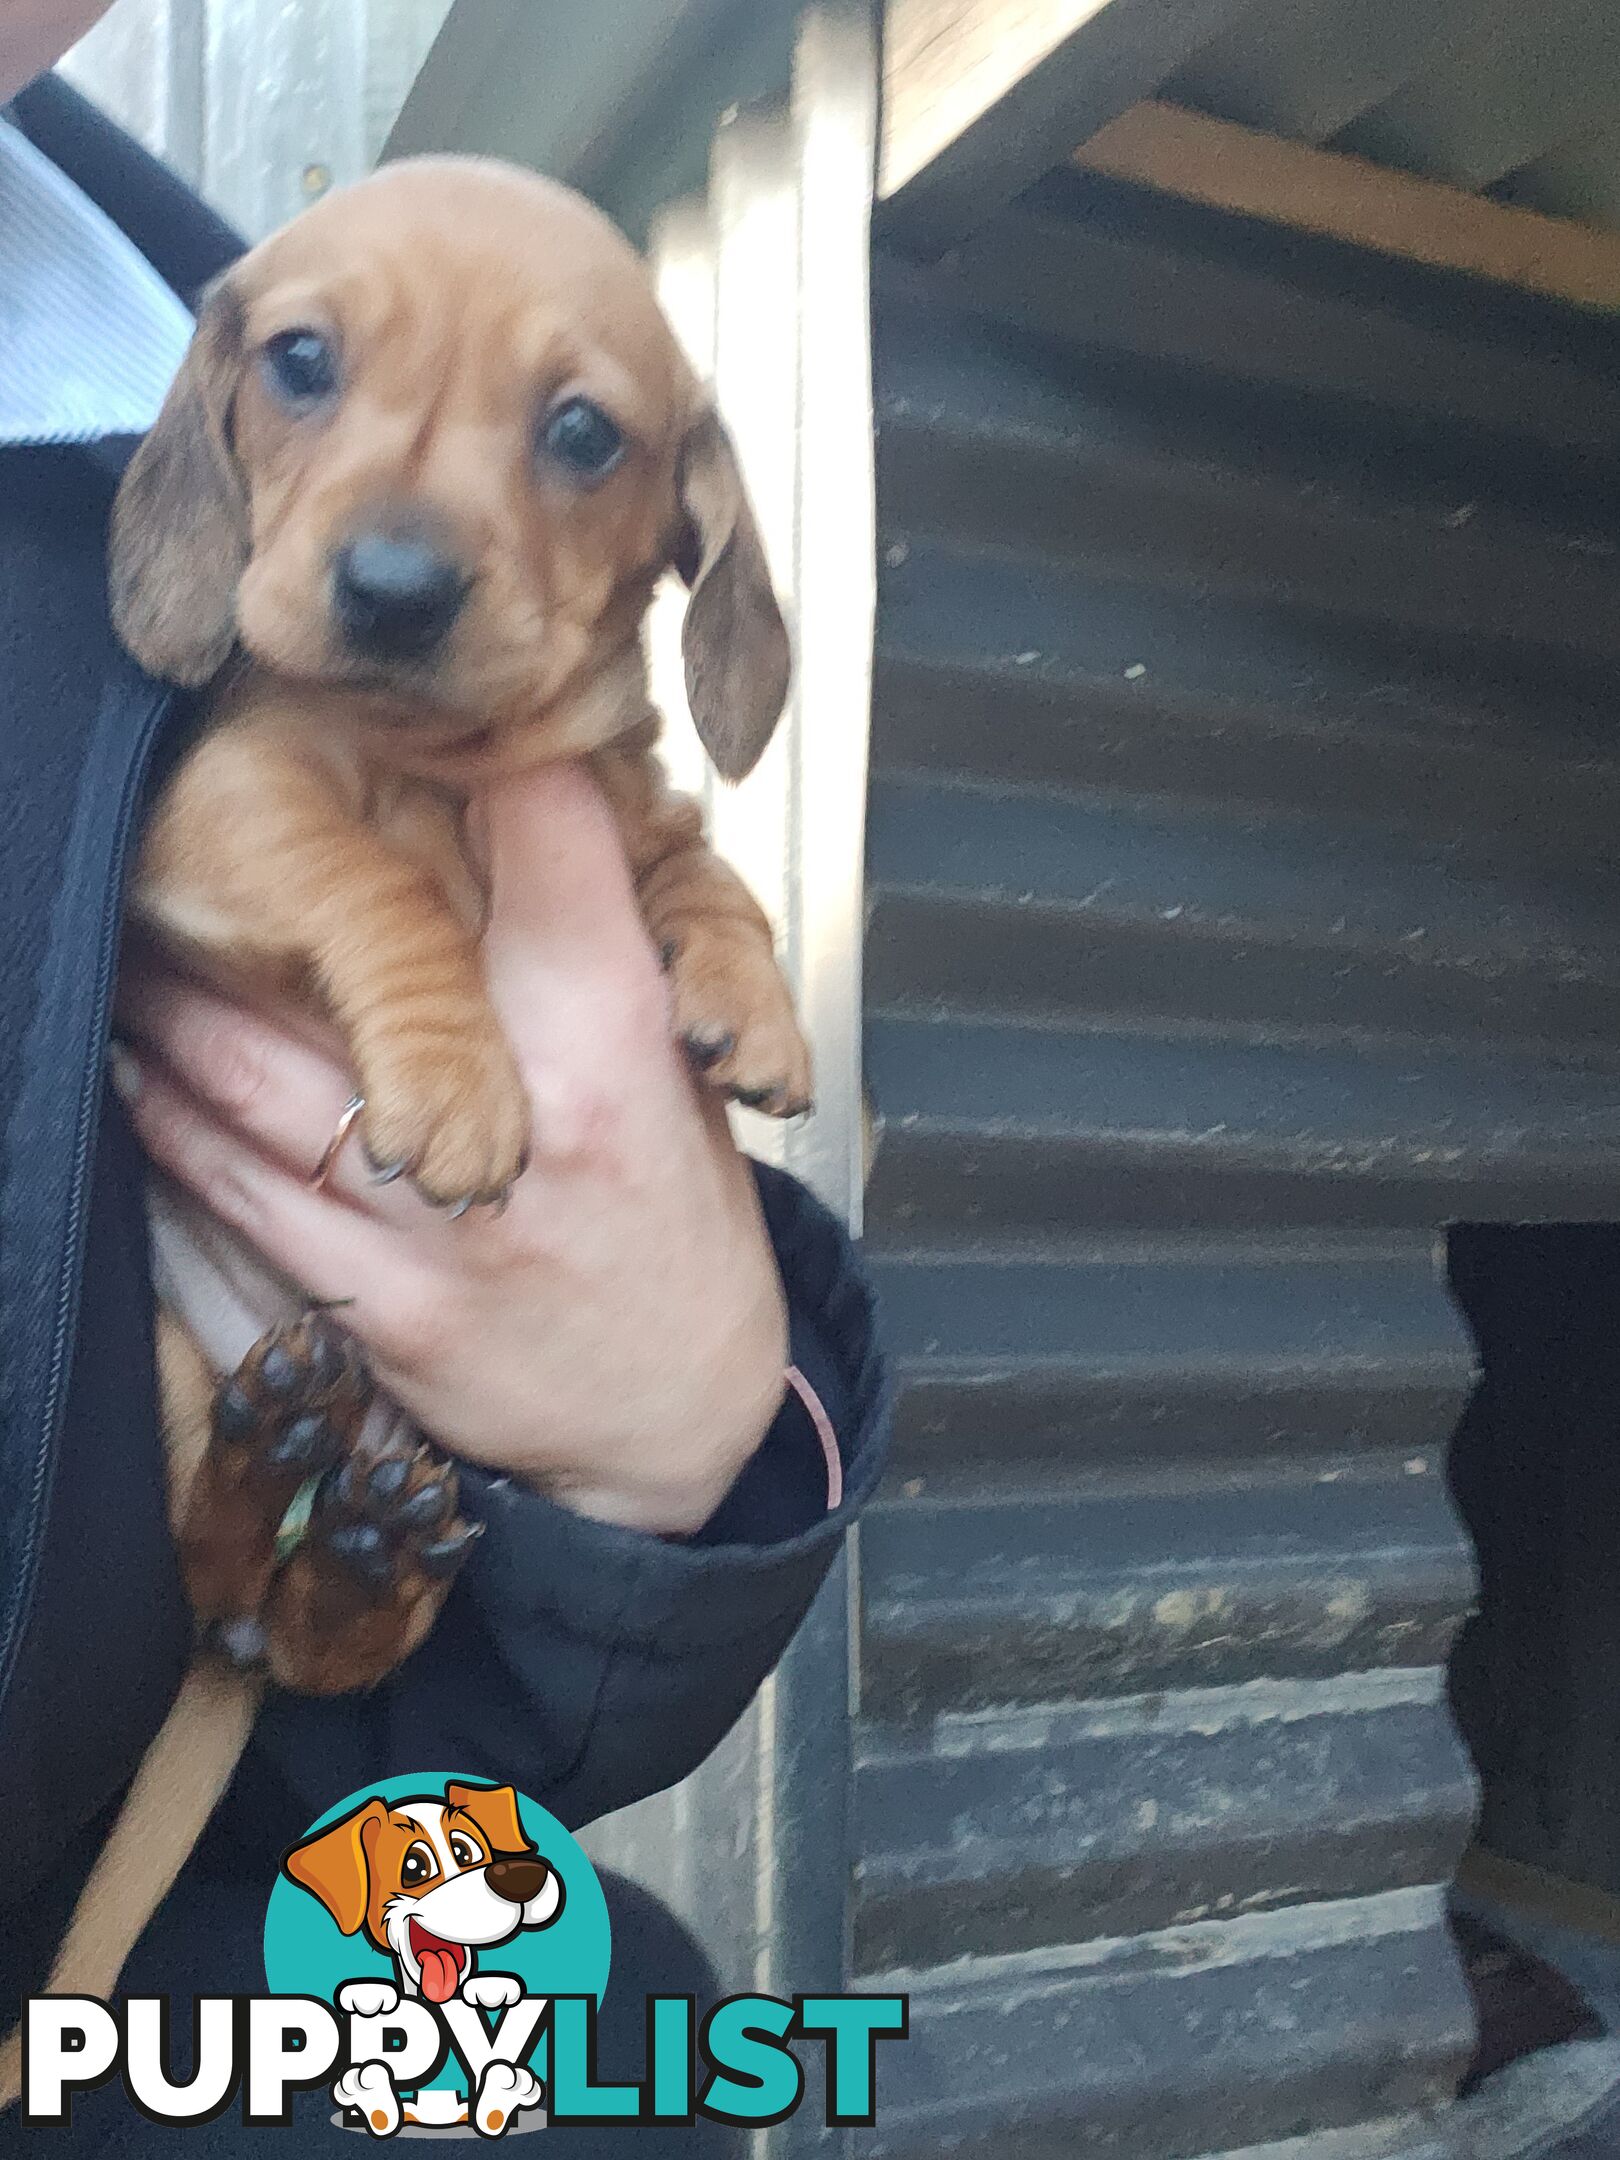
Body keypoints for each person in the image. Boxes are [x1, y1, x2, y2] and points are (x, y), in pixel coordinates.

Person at [0, 7, 887, 2149]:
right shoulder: (207, 516)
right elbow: (205, 851)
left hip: (267, 1735)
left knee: (647, 2054)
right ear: (232, 408)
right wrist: (409, 976)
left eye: (577, 437)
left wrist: (692, 1424)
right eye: (315, 374)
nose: (410, 539)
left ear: (687, 538)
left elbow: (651, 865)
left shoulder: (167, 298)